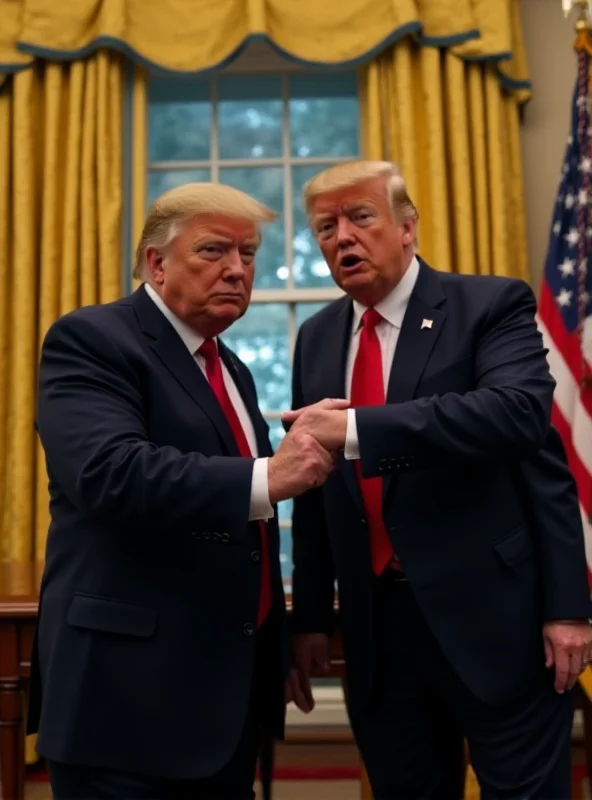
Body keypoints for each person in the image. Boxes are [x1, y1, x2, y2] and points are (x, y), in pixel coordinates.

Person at [283, 160, 592, 799]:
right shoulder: (315, 338)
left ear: (407, 227)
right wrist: (312, 616)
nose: (342, 237)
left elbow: (520, 422)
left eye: (361, 217)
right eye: (325, 227)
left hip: (500, 623)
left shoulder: (487, 305)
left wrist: (569, 610)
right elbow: (315, 484)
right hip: (377, 633)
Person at [28, 182, 339, 800]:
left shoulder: (232, 368)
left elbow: (237, 533)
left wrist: (273, 647)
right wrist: (269, 475)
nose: (235, 270)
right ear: (155, 263)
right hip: (126, 703)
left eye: (248, 255)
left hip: (223, 698)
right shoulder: (92, 340)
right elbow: (108, 473)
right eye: (213, 251)